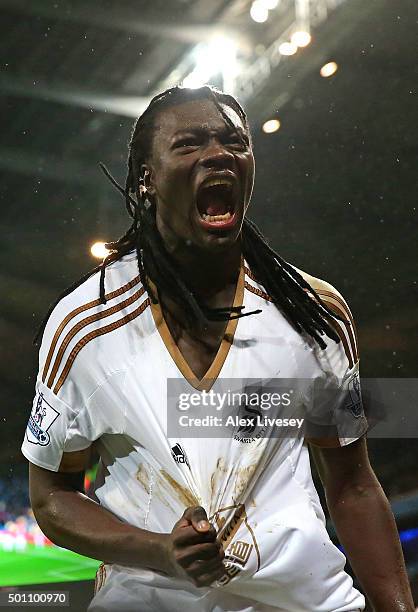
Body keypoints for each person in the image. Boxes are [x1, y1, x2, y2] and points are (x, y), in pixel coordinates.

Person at [22, 86, 413, 611]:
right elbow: (52, 497)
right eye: (188, 144)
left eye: (234, 141)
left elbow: (353, 487)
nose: (218, 153)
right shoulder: (84, 326)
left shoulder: (314, 313)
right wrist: (160, 551)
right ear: (147, 179)